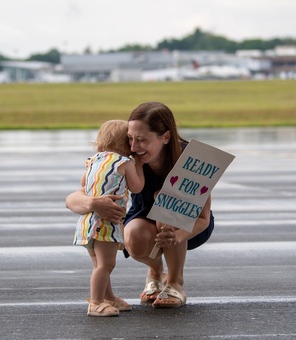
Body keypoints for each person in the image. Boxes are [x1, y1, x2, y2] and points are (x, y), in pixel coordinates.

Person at [66, 101, 214, 309]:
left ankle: (174, 282)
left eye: (142, 140)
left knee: (167, 209)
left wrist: (176, 237)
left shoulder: (193, 159)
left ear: (166, 137)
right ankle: (155, 271)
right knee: (132, 236)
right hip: (144, 216)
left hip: (187, 227)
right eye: (130, 139)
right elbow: (71, 199)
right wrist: (92, 202)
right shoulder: (126, 159)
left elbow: (203, 219)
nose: (133, 147)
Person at [73, 120, 145, 317]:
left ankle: (109, 297)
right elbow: (137, 187)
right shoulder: (126, 163)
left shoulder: (94, 160)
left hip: (87, 222)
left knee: (99, 264)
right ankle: (95, 303)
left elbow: (82, 182)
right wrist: (138, 166)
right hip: (107, 223)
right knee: (106, 265)